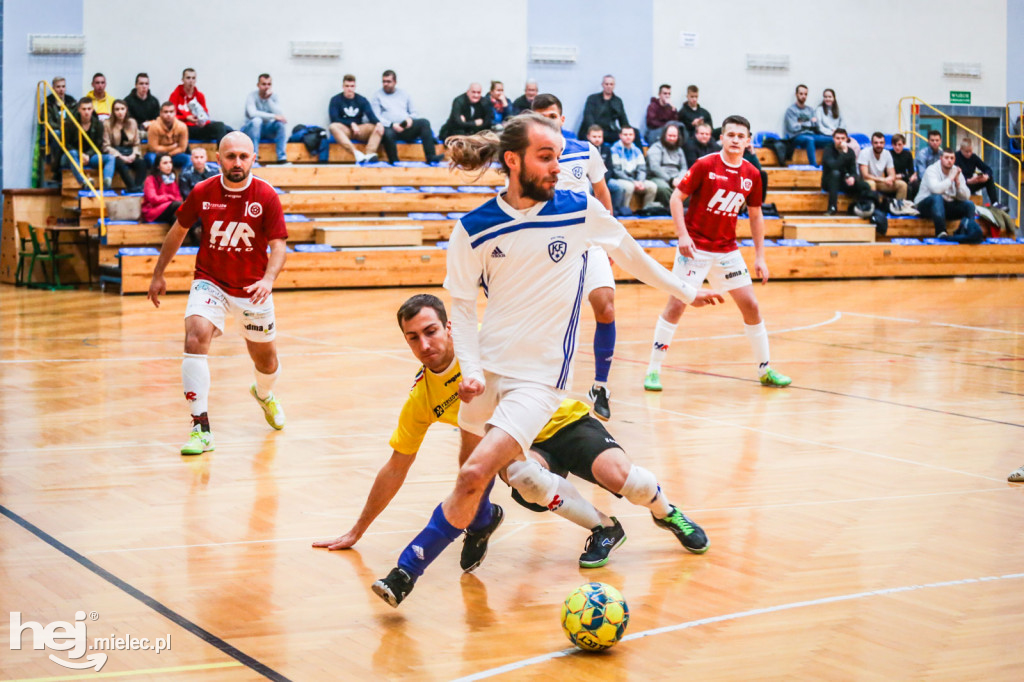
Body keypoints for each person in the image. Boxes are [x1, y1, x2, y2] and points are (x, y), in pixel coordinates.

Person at [370, 112, 724, 607]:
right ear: (513, 161)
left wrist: (686, 290)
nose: (559, 166)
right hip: (487, 371)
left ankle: (404, 572)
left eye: (559, 155)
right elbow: (464, 314)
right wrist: (470, 370)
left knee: (476, 474)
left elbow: (630, 254)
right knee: (471, 480)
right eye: (546, 156)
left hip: (539, 381)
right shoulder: (472, 229)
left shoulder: (578, 210)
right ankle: (479, 524)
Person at [313, 294, 708, 569]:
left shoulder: (489, 338)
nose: (425, 344)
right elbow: (396, 466)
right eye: (413, 338)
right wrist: (357, 530)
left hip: (562, 419)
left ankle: (668, 513)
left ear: (450, 327)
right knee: (522, 476)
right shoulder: (423, 397)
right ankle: (604, 529)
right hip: (522, 442)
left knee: (621, 479)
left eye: (431, 331)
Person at [148, 132, 288, 456]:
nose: (236, 162)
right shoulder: (203, 191)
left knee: (266, 362)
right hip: (210, 280)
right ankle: (201, 428)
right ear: (218, 158)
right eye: (230, 156)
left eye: (243, 156)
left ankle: (264, 395)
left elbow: (279, 246)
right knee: (195, 335)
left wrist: (268, 280)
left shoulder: (266, 195)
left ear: (254, 159)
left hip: (253, 287)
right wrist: (158, 273)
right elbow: (178, 229)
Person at [644, 115, 791, 392]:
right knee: (676, 306)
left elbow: (756, 215)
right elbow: (676, 198)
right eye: (730, 135)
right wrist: (682, 235)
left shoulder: (752, 174)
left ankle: (765, 370)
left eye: (741, 136)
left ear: (748, 141)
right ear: (721, 138)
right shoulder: (705, 165)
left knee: (752, 306)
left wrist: (760, 256)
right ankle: (653, 370)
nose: (735, 140)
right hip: (695, 248)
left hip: (727, 251)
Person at [532, 94, 617, 420]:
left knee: (606, 305)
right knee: (550, 319)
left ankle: (600, 385)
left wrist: (608, 240)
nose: (547, 120)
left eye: (552, 115)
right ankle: (538, 386)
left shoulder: (585, 150)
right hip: (550, 244)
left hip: (589, 239)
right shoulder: (527, 156)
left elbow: (603, 191)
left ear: (562, 119)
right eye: (540, 116)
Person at [371, 70, 443, 164]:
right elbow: (376, 116)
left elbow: (414, 112)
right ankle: (394, 161)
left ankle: (431, 157)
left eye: (388, 81)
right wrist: (392, 125)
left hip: (404, 126)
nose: (386, 84)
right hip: (389, 127)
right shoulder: (377, 96)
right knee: (388, 133)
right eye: (384, 81)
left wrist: (410, 120)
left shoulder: (404, 94)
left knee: (424, 122)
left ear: (395, 82)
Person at [914, 147, 978, 241]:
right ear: (941, 158)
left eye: (952, 158)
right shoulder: (931, 170)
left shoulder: (957, 171)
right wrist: (951, 178)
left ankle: (966, 233)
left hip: (945, 206)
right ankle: (941, 232)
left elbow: (966, 196)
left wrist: (958, 184)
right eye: (946, 158)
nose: (949, 161)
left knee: (969, 205)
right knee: (937, 198)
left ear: (954, 160)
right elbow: (935, 189)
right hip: (926, 205)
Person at [327, 74, 383, 164]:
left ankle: (369, 154)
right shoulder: (335, 100)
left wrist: (378, 123)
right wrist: (351, 124)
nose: (349, 89)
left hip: (359, 129)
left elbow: (371, 115)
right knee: (333, 127)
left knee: (377, 127)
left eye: (352, 86)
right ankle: (356, 153)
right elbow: (334, 118)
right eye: (347, 86)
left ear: (355, 86)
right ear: (343, 87)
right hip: (345, 129)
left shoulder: (361, 99)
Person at [64, 98, 115, 188]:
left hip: (90, 156)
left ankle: (107, 183)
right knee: (72, 153)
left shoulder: (98, 124)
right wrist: (81, 155)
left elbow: (98, 144)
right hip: (72, 156)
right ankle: (83, 182)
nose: (86, 112)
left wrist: (87, 155)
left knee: (110, 158)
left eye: (89, 109)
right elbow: (66, 144)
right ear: (79, 109)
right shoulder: (70, 123)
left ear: (92, 109)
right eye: (84, 109)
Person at [170, 68, 230, 143]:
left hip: (199, 127)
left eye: (193, 78)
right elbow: (170, 117)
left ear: (195, 80)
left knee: (221, 126)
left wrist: (203, 121)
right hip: (184, 128)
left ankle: (221, 152)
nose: (191, 81)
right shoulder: (175, 95)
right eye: (188, 78)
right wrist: (186, 118)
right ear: (183, 80)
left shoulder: (200, 96)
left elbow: (205, 114)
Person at [821, 128, 870, 215]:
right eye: (838, 138)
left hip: (844, 181)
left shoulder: (850, 152)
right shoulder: (828, 150)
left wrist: (853, 178)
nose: (840, 141)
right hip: (829, 182)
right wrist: (844, 153)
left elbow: (853, 171)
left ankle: (862, 208)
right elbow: (834, 166)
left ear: (847, 139)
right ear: (833, 139)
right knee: (835, 174)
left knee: (865, 186)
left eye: (843, 138)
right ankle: (832, 207)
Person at [241, 74, 288, 163]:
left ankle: (282, 157)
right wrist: (273, 116)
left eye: (269, 84)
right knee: (257, 121)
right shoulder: (251, 96)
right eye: (264, 84)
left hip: (267, 129)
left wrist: (268, 99)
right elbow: (252, 114)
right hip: (251, 129)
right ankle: (254, 157)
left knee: (280, 124)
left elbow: (280, 115)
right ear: (258, 85)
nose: (266, 87)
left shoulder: (273, 96)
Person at [102, 99, 146, 193]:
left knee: (141, 163)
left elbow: (136, 143)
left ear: (126, 110)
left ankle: (137, 187)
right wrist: (121, 156)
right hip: (116, 153)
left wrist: (134, 155)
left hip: (129, 152)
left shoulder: (132, 122)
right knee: (119, 163)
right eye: (117, 109)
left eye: (122, 109)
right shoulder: (107, 124)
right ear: (113, 111)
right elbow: (106, 146)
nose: (120, 112)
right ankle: (131, 187)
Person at [609, 126, 657, 211]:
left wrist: (640, 181)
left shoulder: (637, 150)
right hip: (621, 179)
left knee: (652, 186)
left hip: (636, 179)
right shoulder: (614, 149)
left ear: (634, 136)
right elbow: (617, 171)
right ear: (620, 135)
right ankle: (625, 211)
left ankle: (646, 211)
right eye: (625, 134)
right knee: (629, 187)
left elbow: (642, 169)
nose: (628, 136)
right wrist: (632, 181)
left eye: (630, 134)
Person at [178, 147, 220, 244]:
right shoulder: (184, 174)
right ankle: (197, 239)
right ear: (191, 159)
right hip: (194, 205)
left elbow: (217, 192)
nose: (199, 160)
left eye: (201, 157)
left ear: (206, 158)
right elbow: (186, 195)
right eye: (196, 157)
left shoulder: (214, 172)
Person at [784, 84, 831, 167]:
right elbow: (793, 128)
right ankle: (814, 166)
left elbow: (816, 125)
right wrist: (809, 123)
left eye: (805, 94)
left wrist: (801, 124)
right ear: (796, 94)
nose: (803, 96)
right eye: (801, 94)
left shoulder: (810, 110)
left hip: (812, 134)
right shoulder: (791, 110)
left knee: (832, 140)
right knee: (810, 140)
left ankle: (828, 165)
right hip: (797, 137)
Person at [41, 76, 78, 183]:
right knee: (57, 134)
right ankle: (57, 168)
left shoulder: (71, 101)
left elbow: (75, 118)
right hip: (54, 133)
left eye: (63, 86)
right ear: (53, 88)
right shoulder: (48, 103)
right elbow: (48, 121)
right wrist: (63, 128)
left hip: (69, 132)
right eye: (58, 87)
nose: (61, 89)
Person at [858, 131, 908, 203]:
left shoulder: (887, 153)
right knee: (872, 183)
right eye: (876, 143)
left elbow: (892, 174)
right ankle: (873, 209)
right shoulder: (864, 153)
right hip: (865, 182)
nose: (879, 145)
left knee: (902, 185)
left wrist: (890, 179)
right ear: (871, 143)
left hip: (880, 182)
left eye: (881, 143)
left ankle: (898, 208)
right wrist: (883, 180)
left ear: (884, 144)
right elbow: (865, 175)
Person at [577, 75, 629, 143]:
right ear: (602, 85)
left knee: (634, 133)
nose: (609, 86)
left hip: (609, 131)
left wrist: (628, 132)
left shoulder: (618, 101)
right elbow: (588, 118)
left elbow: (623, 119)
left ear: (614, 85)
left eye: (611, 84)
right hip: (592, 131)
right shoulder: (592, 99)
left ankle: (640, 153)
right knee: (596, 136)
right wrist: (596, 132)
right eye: (606, 84)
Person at [647, 122, 687, 205]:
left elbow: (684, 168)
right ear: (664, 136)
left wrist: (679, 180)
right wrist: (671, 180)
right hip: (658, 177)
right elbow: (655, 167)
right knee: (664, 189)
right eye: (670, 136)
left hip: (676, 178)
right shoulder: (656, 147)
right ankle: (672, 208)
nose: (672, 138)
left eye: (674, 136)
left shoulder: (680, 150)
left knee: (689, 188)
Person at [589, 125, 626, 214]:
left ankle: (614, 211)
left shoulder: (606, 149)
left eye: (599, 137)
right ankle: (590, 213)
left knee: (619, 187)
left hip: (604, 179)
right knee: (588, 189)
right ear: (588, 137)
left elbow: (610, 168)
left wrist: (603, 179)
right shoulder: (584, 149)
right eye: (594, 137)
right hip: (589, 180)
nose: (597, 139)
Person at [955, 138, 1001, 208]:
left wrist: (986, 176)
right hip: (959, 185)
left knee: (990, 179)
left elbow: (988, 169)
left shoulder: (973, 157)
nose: (969, 154)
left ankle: (995, 203)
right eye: (966, 151)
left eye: (970, 151)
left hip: (971, 183)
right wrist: (967, 180)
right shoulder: (955, 157)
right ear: (961, 149)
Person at [145, 101, 190, 169]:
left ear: (175, 113)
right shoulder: (153, 126)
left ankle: (184, 178)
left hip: (175, 155)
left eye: (171, 112)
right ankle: (157, 178)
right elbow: (153, 148)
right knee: (150, 158)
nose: (168, 114)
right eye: (166, 112)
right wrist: (171, 147)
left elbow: (182, 148)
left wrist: (169, 154)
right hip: (157, 155)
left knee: (188, 159)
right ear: (160, 113)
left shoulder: (182, 126)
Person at [814, 88, 859, 155]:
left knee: (854, 144)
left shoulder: (837, 110)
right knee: (837, 142)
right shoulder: (819, 110)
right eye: (825, 97)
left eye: (830, 97)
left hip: (838, 134)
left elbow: (843, 124)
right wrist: (832, 133)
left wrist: (838, 132)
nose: (827, 99)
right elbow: (819, 127)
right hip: (826, 135)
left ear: (834, 98)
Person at [141, 153, 183, 224]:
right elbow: (153, 199)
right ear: (158, 166)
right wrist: (169, 197)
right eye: (165, 163)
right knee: (178, 206)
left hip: (169, 209)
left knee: (179, 216)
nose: (169, 165)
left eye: (170, 162)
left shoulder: (172, 179)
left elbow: (178, 197)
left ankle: (191, 233)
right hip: (153, 210)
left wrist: (171, 199)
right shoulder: (150, 179)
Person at [891, 133, 918, 198]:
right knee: (907, 188)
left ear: (904, 144)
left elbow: (911, 172)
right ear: (892, 145)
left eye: (899, 144)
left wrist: (902, 176)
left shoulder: (908, 154)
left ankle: (914, 204)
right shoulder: (889, 154)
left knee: (915, 184)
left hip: (904, 177)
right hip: (892, 178)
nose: (897, 147)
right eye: (895, 145)